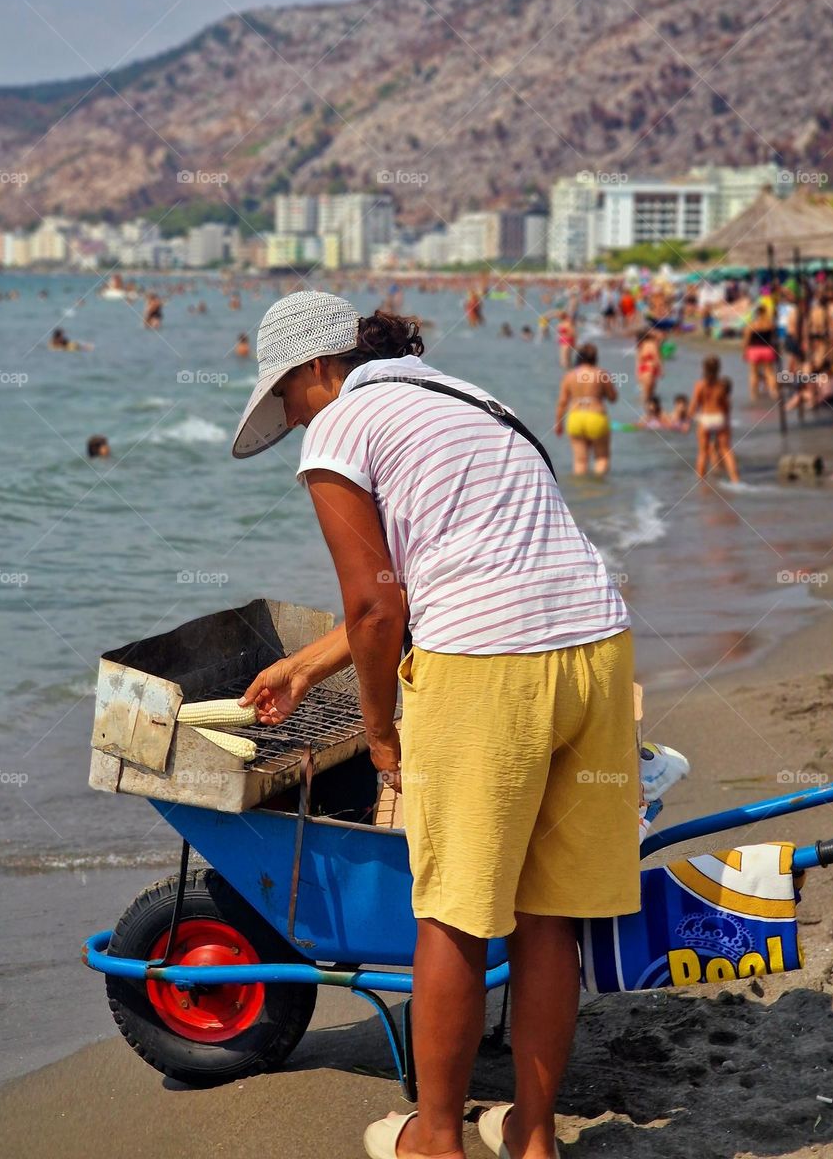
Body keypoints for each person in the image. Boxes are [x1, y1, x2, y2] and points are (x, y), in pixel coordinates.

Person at [232, 291, 639, 1159]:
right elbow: (450, 569)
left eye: (286, 396)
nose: (293, 416)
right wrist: (307, 667)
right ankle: (533, 1140)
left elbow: (379, 605)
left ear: (315, 369)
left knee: (451, 914)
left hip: (488, 670)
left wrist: (382, 734)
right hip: (597, 648)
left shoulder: (339, 425)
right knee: (548, 914)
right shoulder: (471, 397)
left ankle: (437, 1141)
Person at [554, 342, 617, 476]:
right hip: (596, 416)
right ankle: (599, 492)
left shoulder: (569, 376)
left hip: (575, 417)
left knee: (580, 461)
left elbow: (562, 402)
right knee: (601, 458)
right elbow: (613, 398)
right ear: (595, 357)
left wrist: (558, 423)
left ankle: (581, 491)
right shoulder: (601, 374)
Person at [688, 355, 740, 483]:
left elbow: (694, 406)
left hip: (705, 418)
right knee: (726, 450)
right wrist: (727, 420)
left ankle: (701, 481)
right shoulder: (721, 386)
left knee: (703, 452)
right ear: (719, 369)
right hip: (719, 417)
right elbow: (726, 405)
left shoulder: (700, 385)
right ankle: (735, 479)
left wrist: (688, 420)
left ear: (703, 368)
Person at [742, 305, 778, 400]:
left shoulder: (752, 325)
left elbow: (746, 340)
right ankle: (774, 393)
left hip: (754, 350)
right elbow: (774, 339)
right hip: (767, 349)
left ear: (756, 314)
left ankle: (754, 395)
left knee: (753, 373)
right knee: (769, 372)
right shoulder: (770, 324)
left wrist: (744, 351)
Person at [634, 329, 662, 407]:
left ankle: (642, 411)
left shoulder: (640, 346)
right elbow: (657, 358)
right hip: (650, 369)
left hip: (643, 370)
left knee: (645, 395)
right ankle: (647, 413)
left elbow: (638, 362)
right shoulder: (652, 344)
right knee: (649, 396)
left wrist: (637, 374)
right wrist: (661, 370)